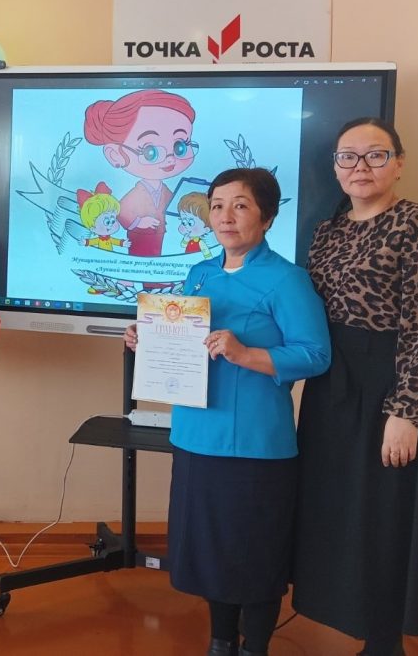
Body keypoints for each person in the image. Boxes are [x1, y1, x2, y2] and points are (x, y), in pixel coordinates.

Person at [124, 168, 330, 656]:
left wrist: (246, 354)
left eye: (240, 205)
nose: (225, 216)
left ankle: (255, 646)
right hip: (195, 433)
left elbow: (316, 354)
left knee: (254, 556)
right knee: (212, 553)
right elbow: (184, 338)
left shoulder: (288, 280)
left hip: (255, 442)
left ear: (267, 216)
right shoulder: (201, 273)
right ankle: (220, 642)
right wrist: (146, 338)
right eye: (217, 206)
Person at [292, 118, 418, 656]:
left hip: (392, 392)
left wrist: (409, 412)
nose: (361, 166)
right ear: (335, 167)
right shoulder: (328, 230)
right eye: (348, 156)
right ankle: (360, 625)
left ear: (398, 163)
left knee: (386, 517)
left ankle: (385, 643)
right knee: (341, 514)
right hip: (332, 392)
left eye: (376, 154)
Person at [83, 89, 198, 256]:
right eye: (150, 151)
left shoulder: (165, 190)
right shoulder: (136, 194)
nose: (170, 159)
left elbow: (174, 205)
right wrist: (138, 222)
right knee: (140, 257)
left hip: (161, 235)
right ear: (116, 155)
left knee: (157, 256)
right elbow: (121, 212)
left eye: (180, 146)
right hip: (139, 236)